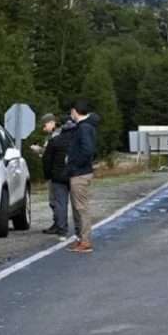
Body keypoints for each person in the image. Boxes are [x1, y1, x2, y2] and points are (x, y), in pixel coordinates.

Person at [65, 101, 99, 253]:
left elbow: (87, 150)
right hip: (79, 172)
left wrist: (75, 165)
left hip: (80, 173)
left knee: (81, 207)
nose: (71, 114)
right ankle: (81, 239)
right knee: (78, 207)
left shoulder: (84, 128)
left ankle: (85, 240)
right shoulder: (85, 127)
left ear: (75, 111)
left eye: (71, 111)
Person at [41, 116, 76, 240]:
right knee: (78, 204)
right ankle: (80, 231)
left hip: (58, 177)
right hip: (75, 175)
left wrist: (48, 175)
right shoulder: (78, 140)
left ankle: (62, 231)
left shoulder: (55, 140)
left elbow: (47, 159)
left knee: (60, 204)